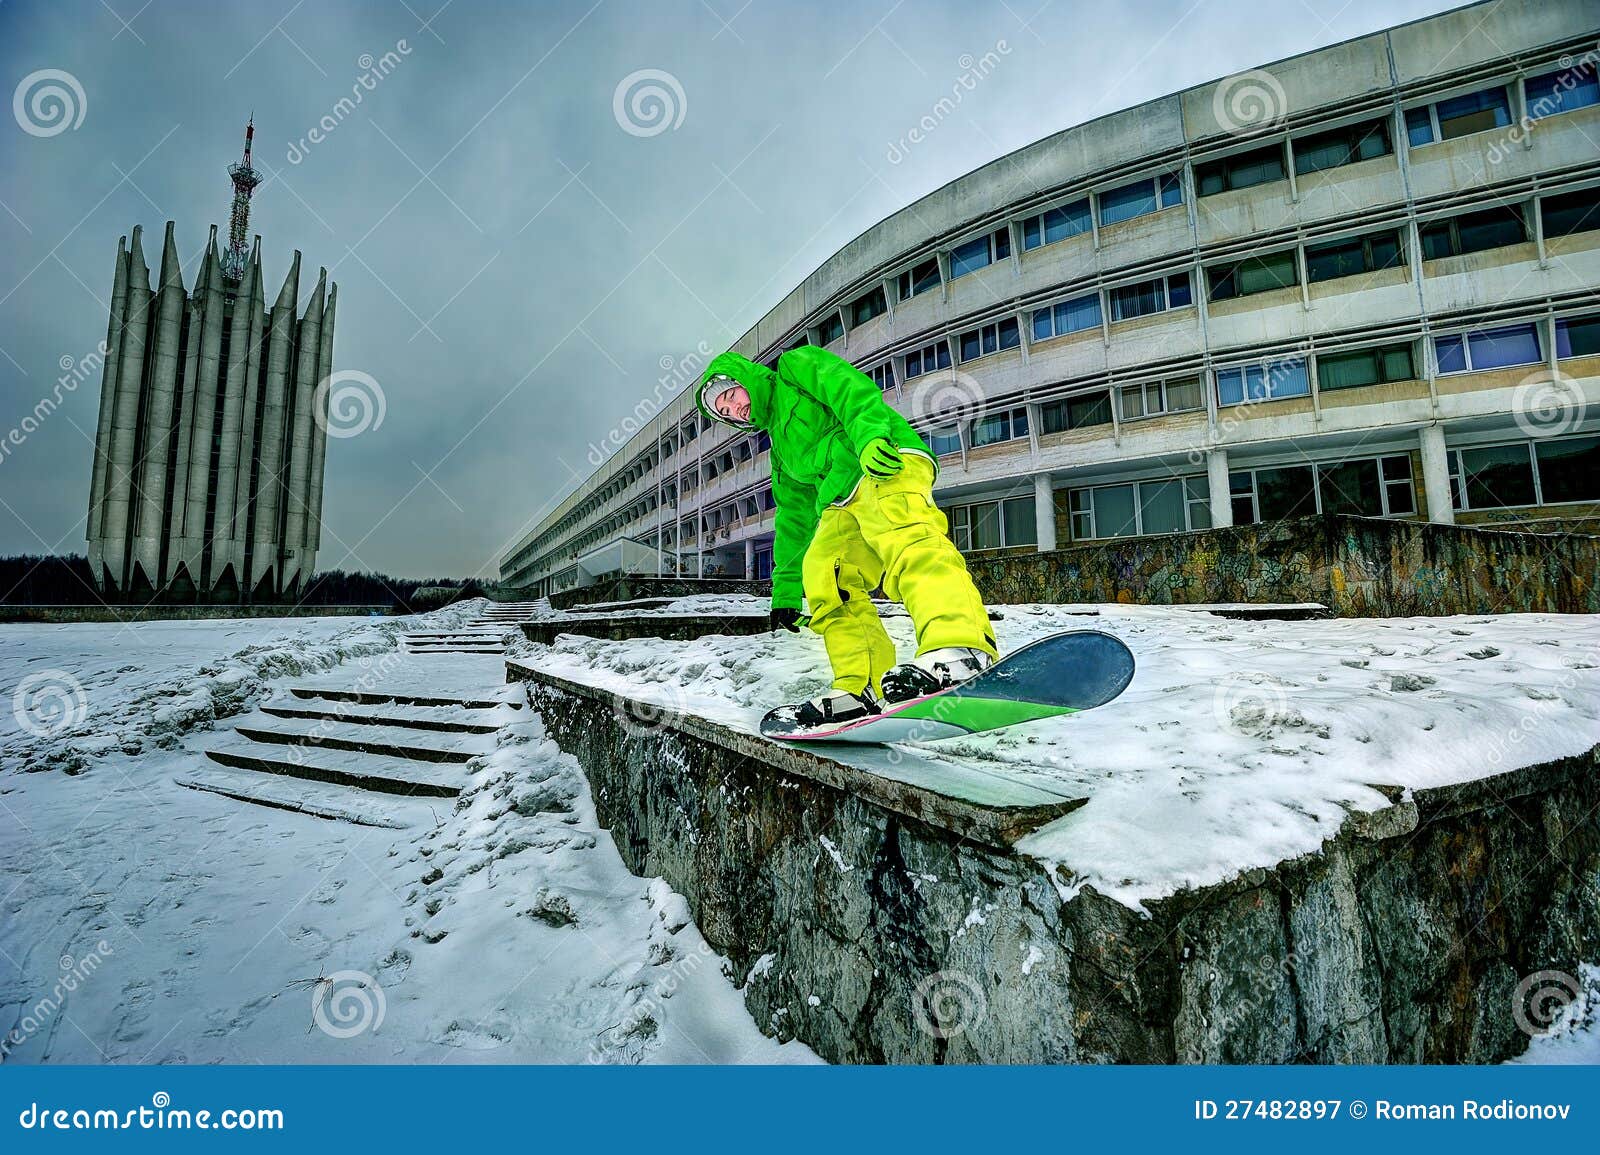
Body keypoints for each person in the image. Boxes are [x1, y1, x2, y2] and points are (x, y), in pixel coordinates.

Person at [695, 346, 998, 727]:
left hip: (881, 458)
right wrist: (786, 592)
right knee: (824, 573)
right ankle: (863, 686)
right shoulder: (781, 452)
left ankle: (961, 646)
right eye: (723, 412)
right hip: (841, 497)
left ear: (745, 379)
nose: (731, 409)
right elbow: (793, 517)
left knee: (906, 542)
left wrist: (870, 437)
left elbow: (848, 388)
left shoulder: (794, 368)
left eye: (729, 395)